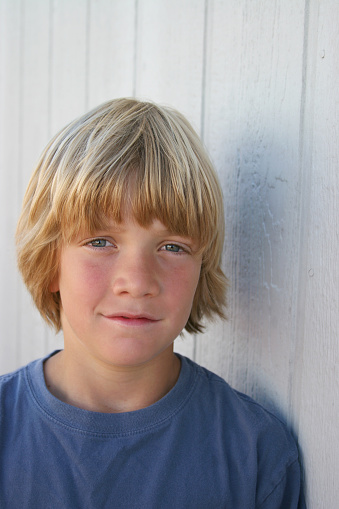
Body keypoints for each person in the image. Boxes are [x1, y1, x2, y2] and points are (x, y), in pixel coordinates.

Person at [0, 98, 304, 508]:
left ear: (201, 269)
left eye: (172, 247)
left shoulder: (255, 454)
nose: (137, 282)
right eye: (101, 242)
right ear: (50, 261)